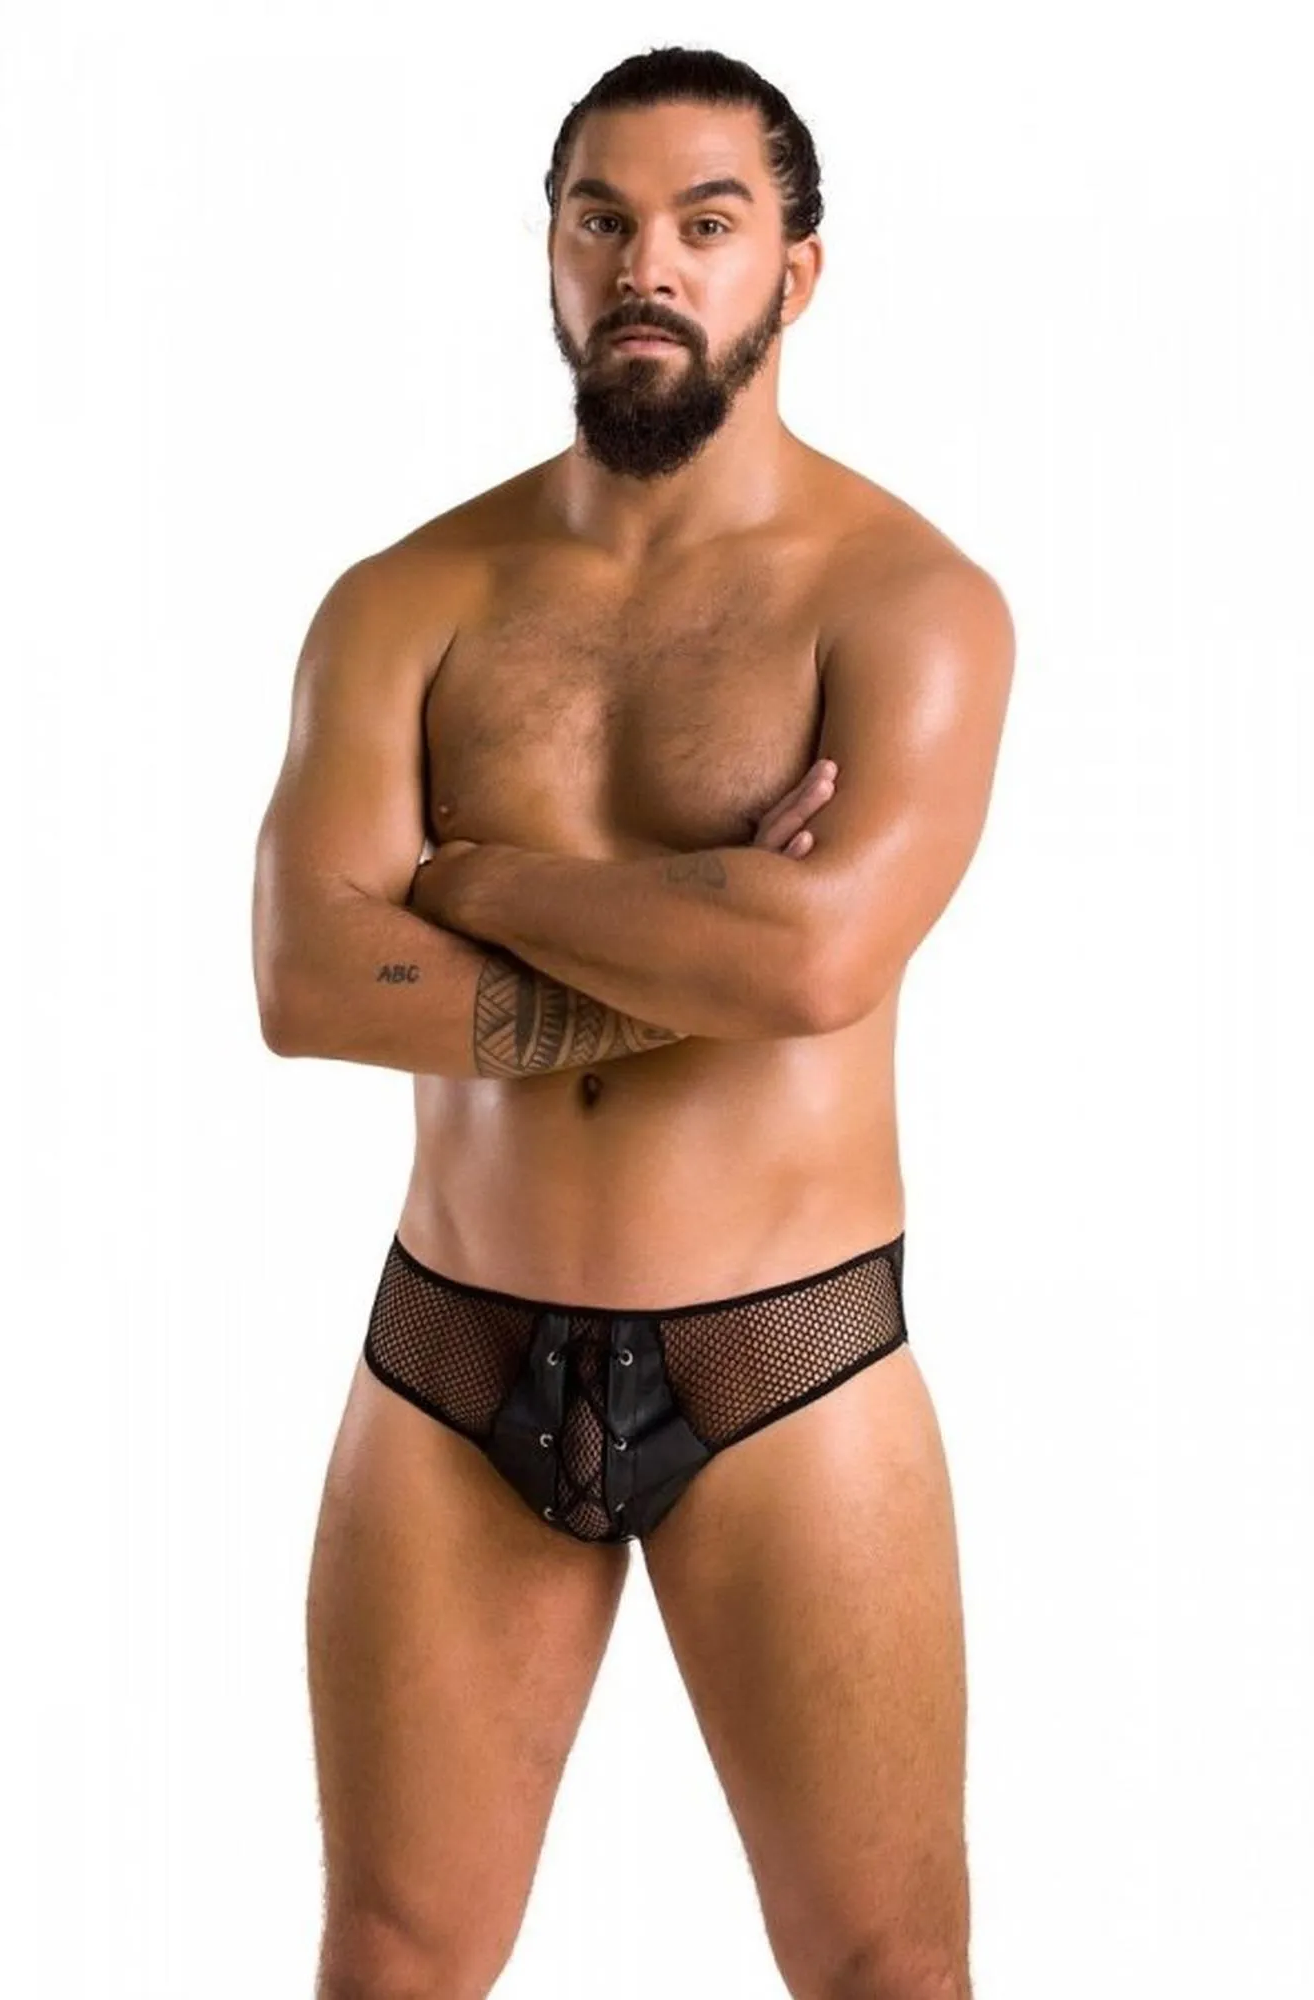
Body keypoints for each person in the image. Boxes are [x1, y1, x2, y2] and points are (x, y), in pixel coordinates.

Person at [251, 44, 1014, 2000]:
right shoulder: (406, 597)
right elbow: (308, 982)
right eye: (603, 218)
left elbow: (814, 969)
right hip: (454, 1351)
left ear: (796, 272)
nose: (646, 263)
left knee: (890, 1967)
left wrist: (477, 878)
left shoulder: (908, 600)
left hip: (785, 1359)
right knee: (389, 1961)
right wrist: (702, 939)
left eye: (707, 221)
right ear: (553, 251)